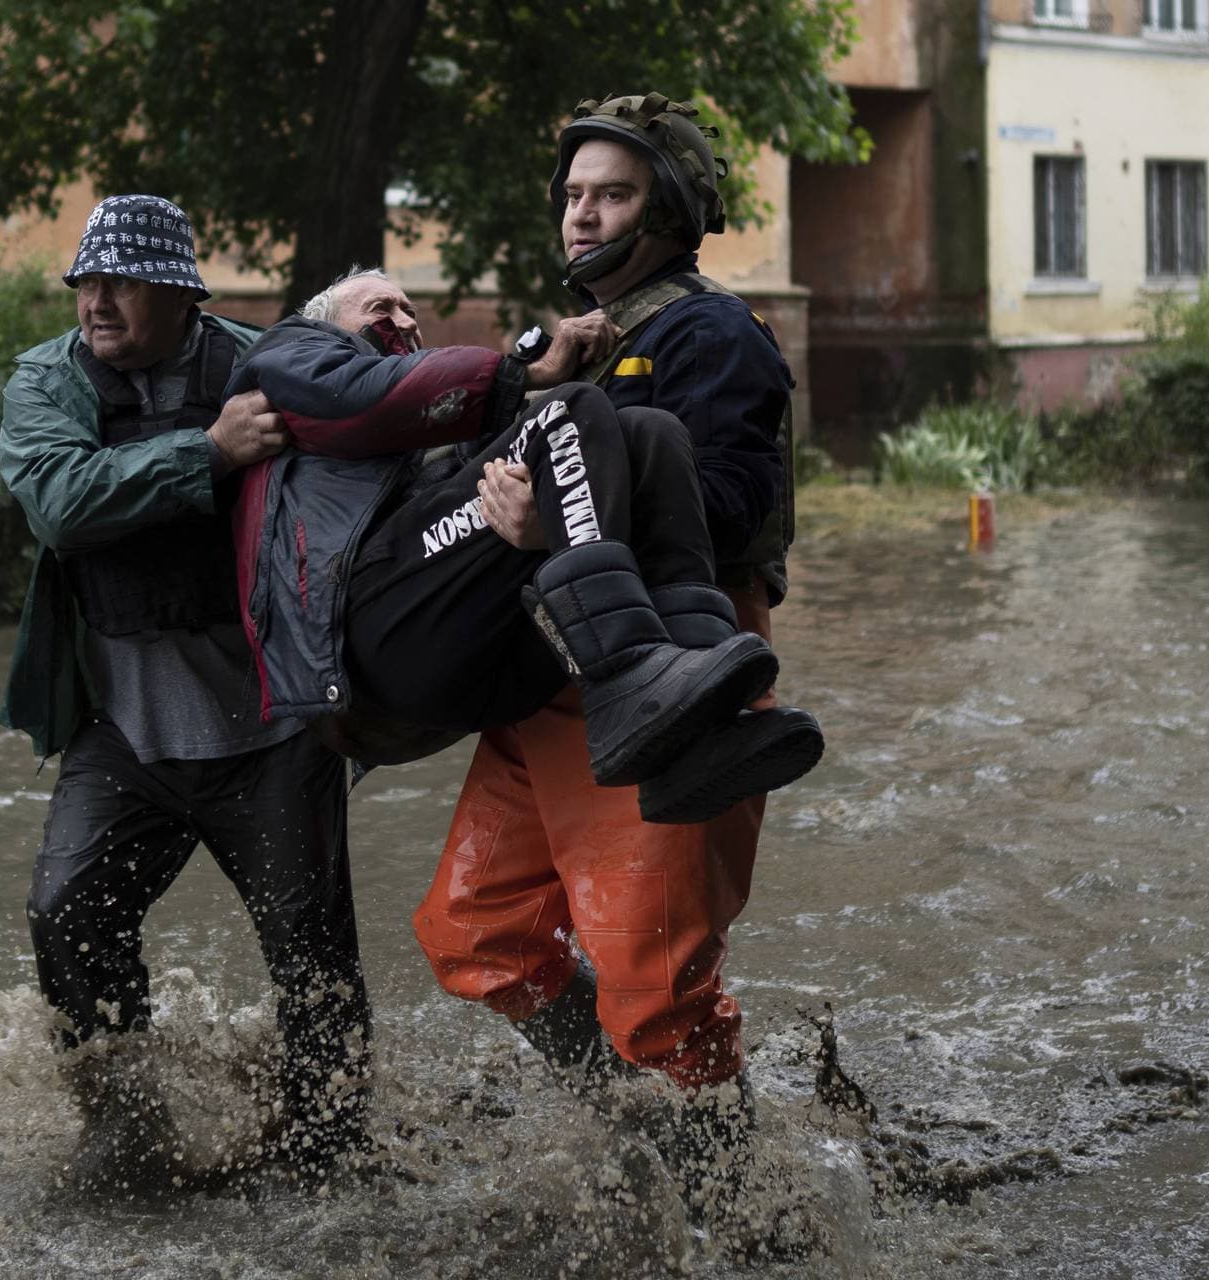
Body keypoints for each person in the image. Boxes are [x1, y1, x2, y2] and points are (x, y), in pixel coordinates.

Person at [410, 93, 813, 1247]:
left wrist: (566, 521)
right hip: (549, 673)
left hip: (674, 673)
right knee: (474, 930)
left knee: (656, 987)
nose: (583, 214)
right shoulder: (570, 342)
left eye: (614, 194)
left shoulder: (713, 335)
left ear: (669, 210)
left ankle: (743, 1221)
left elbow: (726, 506)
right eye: (575, 194)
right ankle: (635, 1123)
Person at [0, 194, 370, 1192]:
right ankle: (127, 1130)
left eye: (121, 283)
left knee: (314, 964)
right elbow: (59, 501)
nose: (96, 301)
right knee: (65, 912)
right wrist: (208, 452)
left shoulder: (264, 365)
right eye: (85, 282)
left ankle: (331, 1155)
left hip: (274, 732)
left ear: (180, 295)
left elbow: (379, 442)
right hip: (126, 736)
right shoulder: (46, 380)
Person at [222, 268, 822, 824]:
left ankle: (704, 722)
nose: (404, 321)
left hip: (470, 656)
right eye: (382, 308)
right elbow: (357, 396)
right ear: (326, 324)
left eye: (410, 311)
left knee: (649, 430)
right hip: (367, 645)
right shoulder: (291, 352)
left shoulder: (430, 431)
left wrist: (541, 516)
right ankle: (624, 678)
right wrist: (525, 375)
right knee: (570, 409)